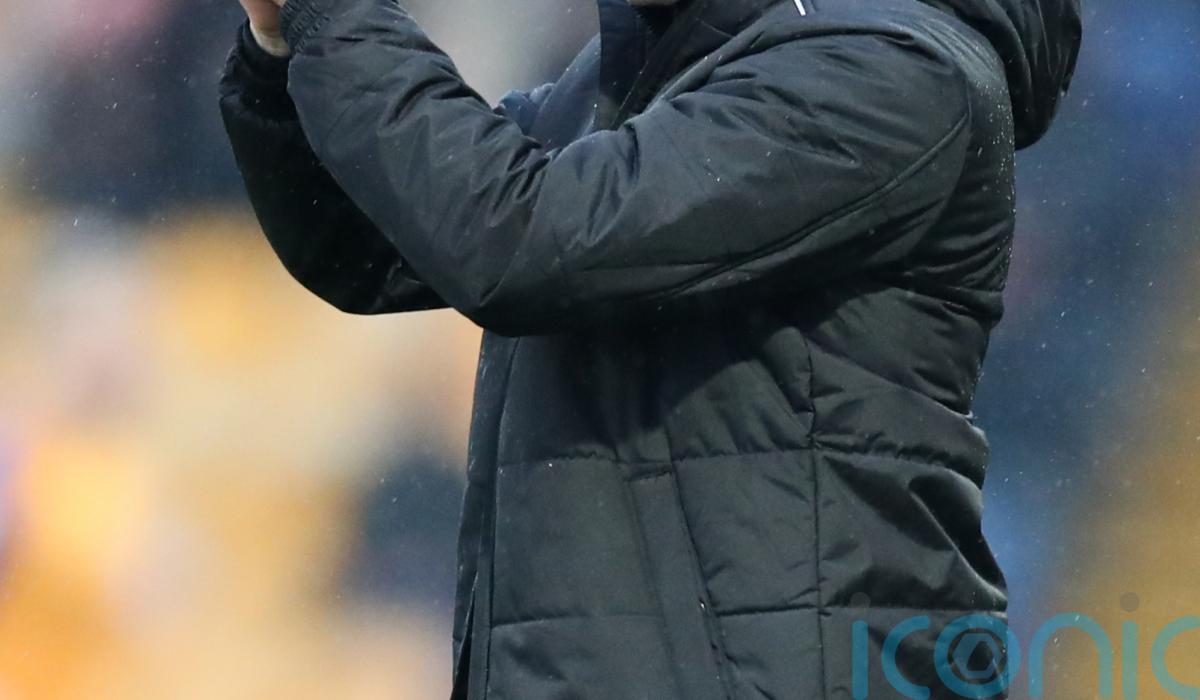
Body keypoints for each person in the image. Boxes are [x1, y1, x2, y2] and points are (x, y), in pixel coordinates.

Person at [219, 0, 1081, 697]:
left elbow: (517, 239)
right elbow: (371, 240)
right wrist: (283, 42)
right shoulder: (649, 72)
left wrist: (335, 17)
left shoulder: (890, 68)